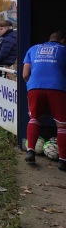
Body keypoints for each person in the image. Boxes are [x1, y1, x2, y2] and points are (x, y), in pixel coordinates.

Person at [22, 31, 66, 171]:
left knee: (34, 118)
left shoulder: (33, 49)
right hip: (58, 87)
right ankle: (63, 161)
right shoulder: (64, 50)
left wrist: (32, 85)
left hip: (35, 86)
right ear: (62, 40)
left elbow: (25, 74)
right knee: (62, 125)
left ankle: (30, 151)